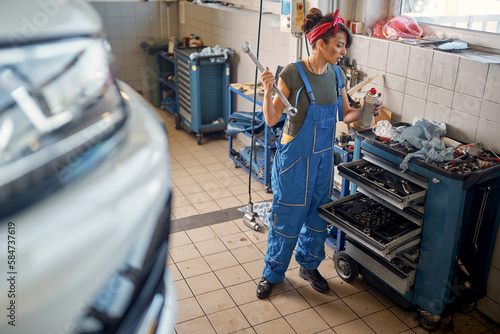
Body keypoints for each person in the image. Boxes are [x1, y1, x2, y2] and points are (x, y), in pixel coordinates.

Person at [257, 8, 381, 299]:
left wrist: (366, 110)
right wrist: (266, 90)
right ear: (319, 44)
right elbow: (272, 118)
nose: (342, 51)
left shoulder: (337, 75)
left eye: (344, 46)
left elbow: (346, 114)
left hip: (324, 161)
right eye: (338, 45)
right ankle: (272, 273)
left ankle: (309, 267)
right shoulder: (292, 73)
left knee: (318, 218)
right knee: (287, 219)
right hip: (295, 162)